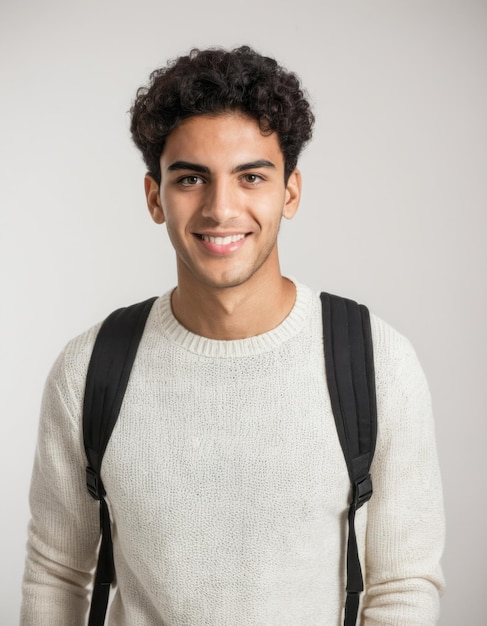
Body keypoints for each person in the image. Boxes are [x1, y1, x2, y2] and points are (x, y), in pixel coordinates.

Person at [20, 46, 445, 625]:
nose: (221, 208)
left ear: (290, 192)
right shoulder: (89, 369)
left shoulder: (376, 362)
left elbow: (402, 586)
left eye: (251, 176)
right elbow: (58, 573)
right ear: (155, 197)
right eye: (191, 178)